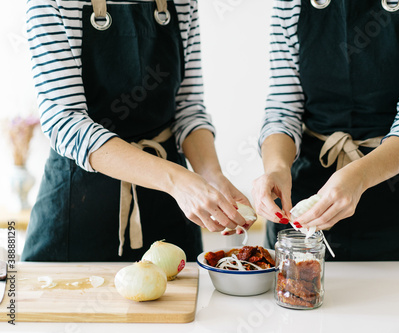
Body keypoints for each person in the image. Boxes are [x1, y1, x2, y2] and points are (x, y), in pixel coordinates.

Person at [22, 0, 253, 262]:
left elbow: (188, 108)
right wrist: (177, 181)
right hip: (79, 205)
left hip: (169, 207)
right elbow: (65, 122)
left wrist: (211, 175)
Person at [252, 0, 399, 260]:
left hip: (396, 199)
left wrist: (358, 177)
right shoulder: (291, 4)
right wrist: (277, 168)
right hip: (305, 197)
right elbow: (282, 110)